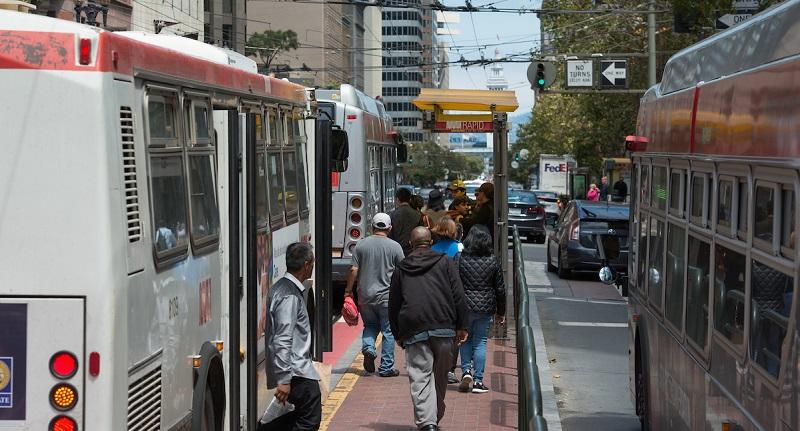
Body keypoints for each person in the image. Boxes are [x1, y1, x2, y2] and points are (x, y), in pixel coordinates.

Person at [389, 227, 469, 431]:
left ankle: (428, 421)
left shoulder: (402, 267)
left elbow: (394, 302)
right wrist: (462, 325)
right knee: (440, 375)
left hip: (414, 326)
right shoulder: (445, 261)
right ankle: (433, 418)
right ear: (431, 241)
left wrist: (397, 333)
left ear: (410, 243)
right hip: (444, 325)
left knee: (420, 375)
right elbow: (458, 294)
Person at [261, 242, 321, 431]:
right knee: (309, 421)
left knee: (292, 420)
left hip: (294, 371)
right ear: (306, 264)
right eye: (312, 263)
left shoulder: (281, 288)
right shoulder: (290, 296)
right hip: (297, 372)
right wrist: (285, 379)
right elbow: (283, 337)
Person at [344, 213, 404, 377]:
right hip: (387, 297)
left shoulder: (361, 245)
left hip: (365, 296)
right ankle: (386, 368)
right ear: (389, 228)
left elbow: (353, 270)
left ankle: (369, 348)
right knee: (388, 331)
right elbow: (402, 271)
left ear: (372, 227)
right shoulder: (395, 247)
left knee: (370, 326)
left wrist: (348, 291)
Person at [455, 226, 506, 394]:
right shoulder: (493, 260)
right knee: (480, 341)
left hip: (464, 307)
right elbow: (500, 288)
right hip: (485, 307)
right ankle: (478, 381)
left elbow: (453, 285)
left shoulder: (459, 258)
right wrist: (501, 311)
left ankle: (466, 371)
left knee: (464, 339)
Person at [389, 187, 423, 256]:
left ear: (397, 199)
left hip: (396, 251)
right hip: (412, 251)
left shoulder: (393, 214)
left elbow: (390, 234)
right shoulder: (417, 214)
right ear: (410, 199)